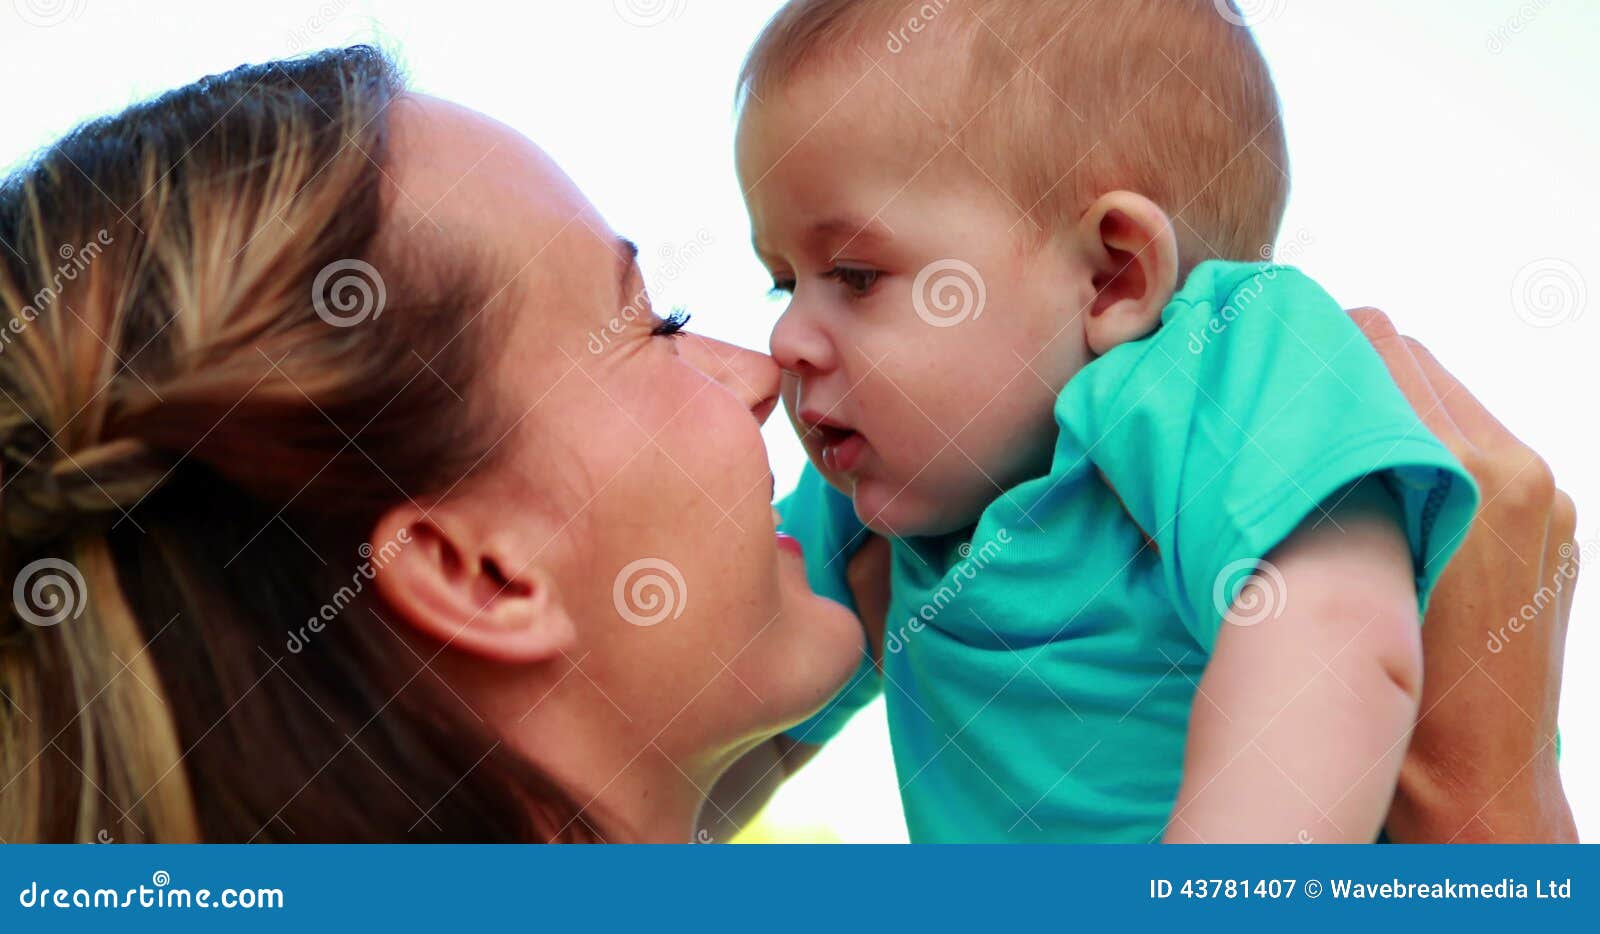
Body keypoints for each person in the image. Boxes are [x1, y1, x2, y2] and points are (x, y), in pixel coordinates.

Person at [0, 47, 1577, 843]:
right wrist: (1493, 806)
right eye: (651, 323)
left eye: (858, 276)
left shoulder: (1205, 375)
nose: (767, 364)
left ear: (1114, 277)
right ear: (479, 567)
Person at [736, 0, 1570, 841]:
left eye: (854, 274)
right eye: (783, 281)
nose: (786, 338)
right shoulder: (883, 489)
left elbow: (1333, 641)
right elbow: (733, 739)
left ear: (1113, 277)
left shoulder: (1223, 361)